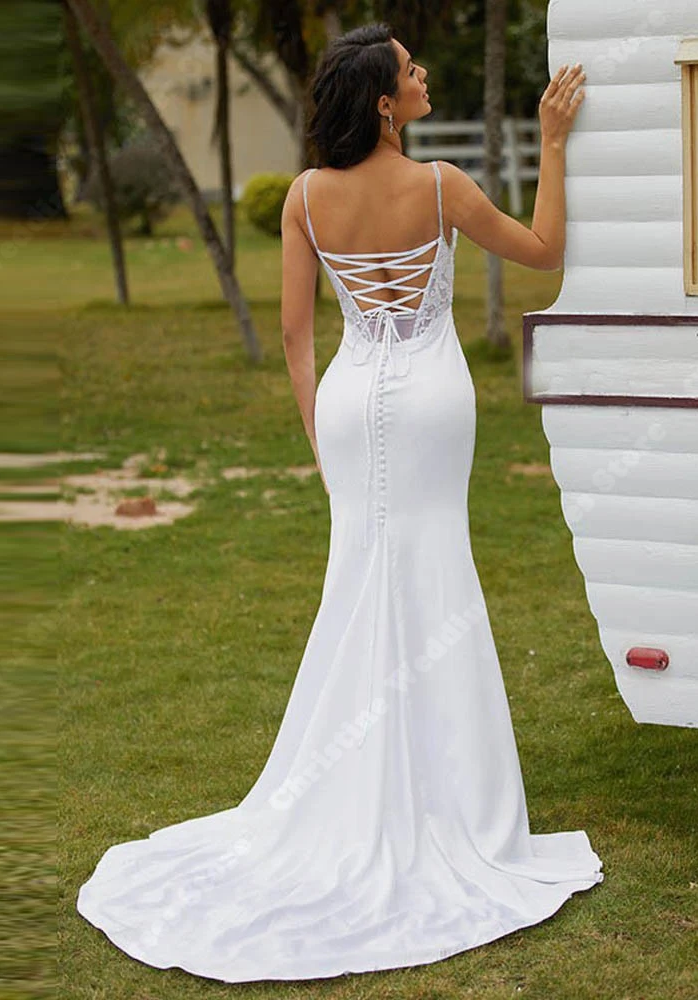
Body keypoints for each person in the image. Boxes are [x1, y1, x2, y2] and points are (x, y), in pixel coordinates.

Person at [76, 22, 595, 984]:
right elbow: (545, 249)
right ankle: (457, 806)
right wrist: (552, 144)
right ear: (388, 104)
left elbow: (290, 333)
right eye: (409, 67)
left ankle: (352, 785)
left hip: (353, 406)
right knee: (436, 578)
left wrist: (323, 441)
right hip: (434, 403)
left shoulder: (308, 199)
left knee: (361, 580)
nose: (423, 70)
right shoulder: (442, 188)